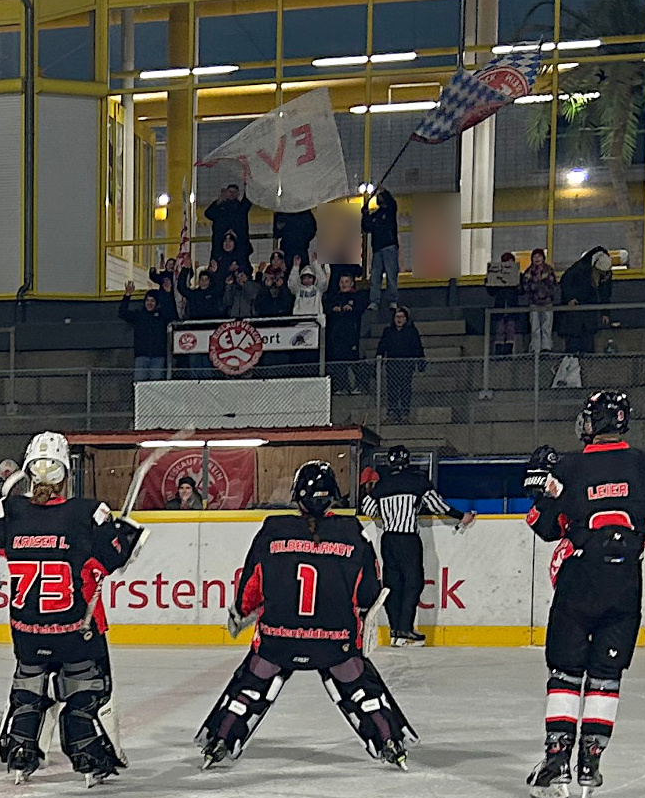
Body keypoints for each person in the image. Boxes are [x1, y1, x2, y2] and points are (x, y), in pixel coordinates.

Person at [196, 461, 418, 770]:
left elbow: (250, 588)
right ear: (333, 497)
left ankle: (221, 739)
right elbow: (369, 593)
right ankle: (389, 740)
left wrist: (241, 612)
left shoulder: (273, 529)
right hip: (335, 643)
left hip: (277, 640)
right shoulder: (352, 531)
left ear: (297, 496)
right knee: (360, 687)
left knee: (250, 685)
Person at [523, 390, 645, 798]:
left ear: (593, 422)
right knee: (606, 674)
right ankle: (590, 761)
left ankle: (556, 761)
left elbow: (543, 525)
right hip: (625, 583)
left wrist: (540, 486)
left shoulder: (568, 465)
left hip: (579, 579)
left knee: (565, 672)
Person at [0, 432, 145, 787]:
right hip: (75, 628)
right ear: (66, 473)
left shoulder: (9, 509)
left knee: (29, 687)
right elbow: (111, 559)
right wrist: (125, 537)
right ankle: (89, 755)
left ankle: (21, 750)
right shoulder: (88, 512)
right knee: (85, 690)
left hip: (26, 630)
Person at [360, 445, 474, 646]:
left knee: (392, 585)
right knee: (413, 583)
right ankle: (405, 629)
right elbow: (438, 505)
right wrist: (460, 516)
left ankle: (395, 630)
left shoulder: (381, 485)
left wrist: (387, 512)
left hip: (388, 539)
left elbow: (368, 508)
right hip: (408, 539)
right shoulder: (417, 481)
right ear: (407, 461)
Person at [557, 247, 613, 356]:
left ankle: (584, 358)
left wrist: (605, 312)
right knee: (574, 341)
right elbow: (565, 280)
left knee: (587, 340)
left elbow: (605, 293)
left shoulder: (604, 274)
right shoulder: (579, 269)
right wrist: (570, 298)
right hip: (577, 311)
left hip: (589, 311)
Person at [376, 305, 425, 423]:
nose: (399, 319)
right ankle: (392, 412)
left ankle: (404, 413)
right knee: (391, 388)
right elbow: (382, 347)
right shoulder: (388, 331)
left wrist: (421, 363)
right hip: (392, 365)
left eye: (402, 317)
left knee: (405, 389)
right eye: (397, 317)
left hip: (407, 365)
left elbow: (417, 347)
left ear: (406, 319)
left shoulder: (412, 332)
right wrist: (378, 360)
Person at [325, 272, 368, 393]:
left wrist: (352, 309)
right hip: (337, 336)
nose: (344, 285)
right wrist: (333, 310)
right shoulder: (334, 298)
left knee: (354, 362)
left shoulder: (357, 296)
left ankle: (360, 386)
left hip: (352, 335)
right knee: (339, 363)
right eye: (342, 282)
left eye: (346, 282)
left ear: (352, 283)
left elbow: (361, 308)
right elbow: (327, 309)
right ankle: (342, 386)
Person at [120, 280, 171, 381]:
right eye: (147, 300)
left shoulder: (162, 316)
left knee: (155, 386)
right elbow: (122, 313)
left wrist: (167, 294)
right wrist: (127, 295)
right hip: (141, 356)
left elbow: (171, 314)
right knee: (140, 384)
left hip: (158, 356)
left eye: (152, 301)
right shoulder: (139, 315)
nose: (149, 303)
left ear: (156, 303)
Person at [362, 188, 400, 312]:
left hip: (388, 246)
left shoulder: (390, 211)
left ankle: (392, 300)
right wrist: (365, 214)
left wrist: (383, 190)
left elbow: (392, 202)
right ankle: (374, 301)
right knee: (375, 276)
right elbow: (366, 227)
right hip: (378, 249)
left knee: (391, 275)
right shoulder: (376, 215)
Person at [204, 184, 253, 262]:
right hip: (220, 245)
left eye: (234, 192)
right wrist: (218, 201)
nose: (232, 194)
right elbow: (208, 214)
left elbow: (248, 199)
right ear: (226, 192)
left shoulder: (241, 207)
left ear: (238, 194)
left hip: (239, 246)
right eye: (230, 191)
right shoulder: (219, 206)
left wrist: (247, 184)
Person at [522, 247, 558, 352]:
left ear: (543, 258)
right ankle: (535, 348)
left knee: (547, 326)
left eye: (539, 256)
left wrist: (547, 293)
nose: (537, 259)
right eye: (535, 257)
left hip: (547, 302)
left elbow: (554, 286)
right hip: (534, 303)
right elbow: (525, 287)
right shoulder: (528, 271)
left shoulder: (549, 270)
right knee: (535, 327)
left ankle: (546, 347)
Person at [486, 251, 522, 355]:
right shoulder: (497, 275)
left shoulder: (518, 275)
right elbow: (491, 292)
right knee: (500, 328)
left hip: (511, 303)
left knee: (511, 327)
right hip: (500, 303)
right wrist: (490, 281)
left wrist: (518, 284)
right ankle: (499, 349)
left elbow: (521, 291)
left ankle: (508, 349)